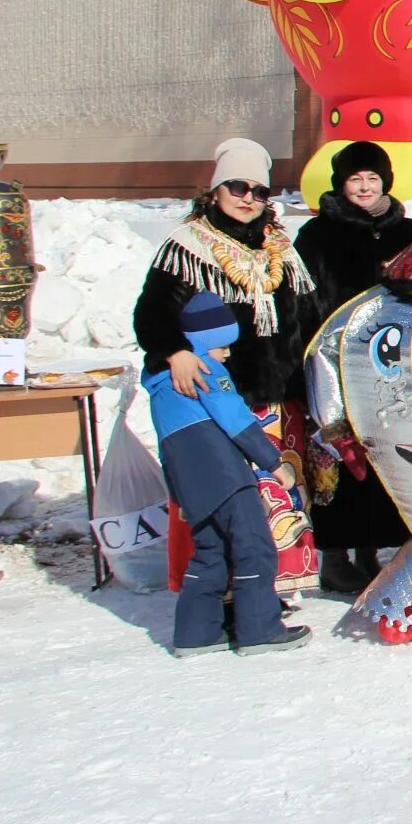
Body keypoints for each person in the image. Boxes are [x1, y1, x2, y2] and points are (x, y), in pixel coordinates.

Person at [134, 138, 319, 599]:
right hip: (217, 396)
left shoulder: (282, 249)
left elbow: (309, 314)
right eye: (238, 187)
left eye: (260, 191)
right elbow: (151, 312)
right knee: (226, 497)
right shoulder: (188, 247)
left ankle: (273, 589)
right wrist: (173, 352)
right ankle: (220, 590)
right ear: (216, 189)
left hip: (279, 396)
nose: (248, 199)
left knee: (281, 494)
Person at [292, 140, 412, 595]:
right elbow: (301, 302)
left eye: (372, 178)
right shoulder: (316, 236)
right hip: (335, 364)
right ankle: (335, 555)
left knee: (385, 453)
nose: (365, 187)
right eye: (355, 179)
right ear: (340, 184)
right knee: (338, 455)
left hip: (392, 368)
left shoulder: (408, 233)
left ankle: (372, 550)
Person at [150, 293, 311, 657]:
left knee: (211, 550)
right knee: (253, 546)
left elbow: (167, 446)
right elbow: (237, 421)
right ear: (204, 343)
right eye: (222, 345)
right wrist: (274, 462)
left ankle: (196, 633)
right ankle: (260, 629)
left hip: (189, 480)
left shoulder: (161, 383)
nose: (227, 354)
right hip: (224, 474)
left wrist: (179, 494)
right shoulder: (206, 370)